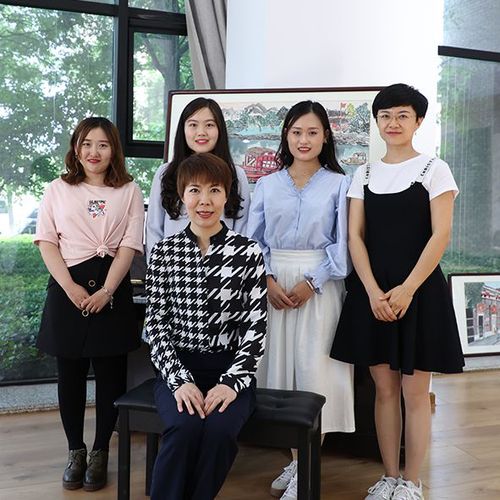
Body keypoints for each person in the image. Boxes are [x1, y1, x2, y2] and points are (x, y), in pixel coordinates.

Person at [330, 84, 465, 500]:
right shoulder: (364, 174)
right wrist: (372, 291)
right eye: (385, 116)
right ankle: (388, 476)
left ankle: (411, 482)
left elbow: (441, 235)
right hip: (373, 293)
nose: (393, 123)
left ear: (418, 121)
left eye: (402, 115)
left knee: (415, 392)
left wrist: (407, 289)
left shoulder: (435, 169)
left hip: (419, 292)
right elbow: (355, 237)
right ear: (377, 121)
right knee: (384, 390)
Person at [247, 100, 355, 500]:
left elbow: (343, 245)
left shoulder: (340, 183)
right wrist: (266, 279)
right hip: (273, 284)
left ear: (325, 136)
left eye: (312, 132)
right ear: (286, 136)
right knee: (279, 372)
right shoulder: (267, 184)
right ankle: (295, 461)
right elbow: (253, 240)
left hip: (319, 286)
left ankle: (307, 465)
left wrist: (314, 281)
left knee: (313, 372)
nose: (303, 140)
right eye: (296, 132)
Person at [146, 152, 267, 500]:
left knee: (219, 431)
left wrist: (231, 383)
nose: (205, 201)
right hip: (178, 369)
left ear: (227, 195)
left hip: (229, 370)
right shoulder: (164, 253)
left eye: (214, 190)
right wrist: (178, 380)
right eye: (195, 190)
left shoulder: (248, 252)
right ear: (182, 196)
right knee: (183, 426)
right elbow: (155, 325)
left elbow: (256, 327)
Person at [34, 117, 144, 492]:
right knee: (70, 376)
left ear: (114, 150)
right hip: (68, 289)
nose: (93, 152)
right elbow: (47, 241)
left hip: (112, 290)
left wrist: (107, 290)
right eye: (86, 144)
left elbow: (129, 244)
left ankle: (100, 452)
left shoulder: (129, 190)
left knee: (111, 376)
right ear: (76, 149)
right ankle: (75, 451)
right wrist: (69, 287)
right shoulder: (57, 189)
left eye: (102, 144)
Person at [146, 97, 250, 259]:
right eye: (193, 125)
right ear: (183, 129)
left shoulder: (236, 175)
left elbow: (242, 230)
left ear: (220, 130)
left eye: (209, 125)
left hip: (224, 266)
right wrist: (158, 266)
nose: (201, 132)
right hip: (173, 266)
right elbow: (154, 230)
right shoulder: (165, 173)